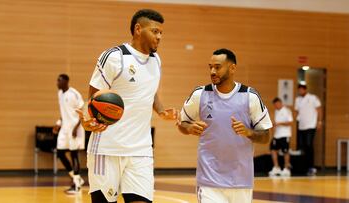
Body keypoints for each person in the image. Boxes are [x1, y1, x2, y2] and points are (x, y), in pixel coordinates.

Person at [77, 9, 177, 203]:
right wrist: (88, 120)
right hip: (107, 149)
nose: (159, 37)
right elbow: (93, 98)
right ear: (138, 29)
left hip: (141, 150)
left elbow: (149, 90)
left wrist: (161, 110)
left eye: (161, 33)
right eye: (155, 31)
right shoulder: (114, 57)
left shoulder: (156, 61)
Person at [177, 49, 272, 203]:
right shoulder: (200, 94)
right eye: (210, 67)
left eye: (218, 67)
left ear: (232, 68)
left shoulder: (250, 96)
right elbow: (182, 122)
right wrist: (188, 128)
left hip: (241, 181)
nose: (213, 71)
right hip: (209, 181)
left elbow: (266, 136)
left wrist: (248, 132)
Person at [53, 73, 85, 194]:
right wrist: (58, 123)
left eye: (59, 81)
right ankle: (76, 178)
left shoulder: (74, 94)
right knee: (60, 152)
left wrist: (77, 127)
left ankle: (76, 185)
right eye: (57, 80)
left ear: (66, 81)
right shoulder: (60, 93)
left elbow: (83, 110)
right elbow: (64, 111)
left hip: (75, 128)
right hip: (65, 128)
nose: (57, 83)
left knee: (74, 154)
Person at [294, 84, 322, 176]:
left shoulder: (313, 98)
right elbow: (297, 111)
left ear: (305, 90)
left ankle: (311, 167)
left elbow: (319, 110)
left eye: (302, 90)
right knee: (304, 146)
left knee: (309, 145)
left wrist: (319, 121)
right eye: (299, 90)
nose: (300, 91)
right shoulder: (298, 100)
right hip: (302, 125)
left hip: (311, 125)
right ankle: (305, 166)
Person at [268, 97, 293, 177]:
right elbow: (276, 123)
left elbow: (290, 122)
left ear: (280, 103)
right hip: (277, 135)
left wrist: (279, 123)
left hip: (285, 134)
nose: (276, 106)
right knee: (273, 149)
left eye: (277, 104)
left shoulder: (287, 111)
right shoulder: (276, 111)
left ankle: (286, 169)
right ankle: (276, 167)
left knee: (285, 151)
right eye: (275, 105)